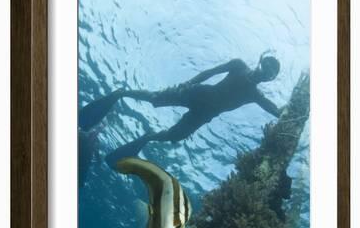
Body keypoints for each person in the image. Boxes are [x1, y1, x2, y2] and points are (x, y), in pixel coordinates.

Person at [78, 53, 282, 166]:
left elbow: (275, 109)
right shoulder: (239, 65)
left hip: (205, 115)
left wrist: (290, 114)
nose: (266, 72)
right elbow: (209, 72)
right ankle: (120, 93)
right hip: (198, 93)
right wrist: (188, 83)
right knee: (155, 99)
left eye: (271, 73)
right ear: (260, 62)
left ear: (271, 79)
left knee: (175, 136)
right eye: (267, 66)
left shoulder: (255, 95)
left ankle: (148, 137)